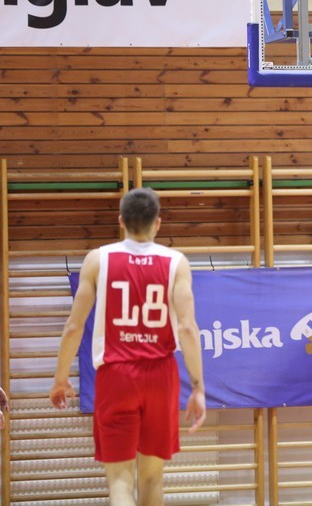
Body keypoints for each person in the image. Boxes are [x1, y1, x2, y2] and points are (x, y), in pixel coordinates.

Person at [50, 188, 206, 506]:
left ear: (121, 221)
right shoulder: (176, 262)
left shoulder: (98, 259)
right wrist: (198, 388)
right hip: (161, 374)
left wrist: (60, 378)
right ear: (158, 223)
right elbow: (188, 328)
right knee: (152, 478)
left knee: (120, 482)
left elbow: (74, 327)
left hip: (116, 375)